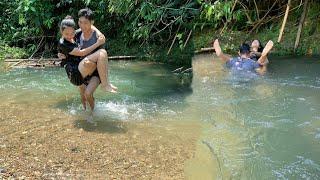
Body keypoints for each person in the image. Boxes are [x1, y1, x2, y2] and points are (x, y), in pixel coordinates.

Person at [58, 15, 116, 120]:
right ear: (61, 32)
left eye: (72, 33)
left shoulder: (77, 33)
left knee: (87, 94)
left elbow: (90, 27)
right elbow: (82, 53)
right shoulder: (63, 43)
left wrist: (98, 33)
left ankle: (93, 113)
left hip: (84, 70)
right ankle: (105, 83)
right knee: (96, 56)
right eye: (66, 34)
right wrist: (98, 43)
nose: (70, 36)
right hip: (75, 72)